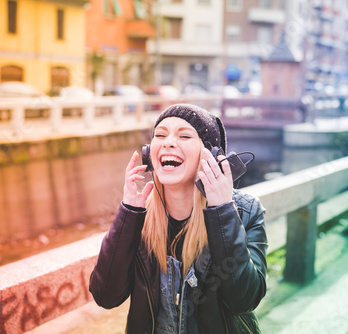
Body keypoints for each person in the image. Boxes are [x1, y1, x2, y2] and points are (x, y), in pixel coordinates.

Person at [89, 104, 268, 333]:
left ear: (213, 157)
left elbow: (243, 300)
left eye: (184, 135)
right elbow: (106, 296)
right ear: (149, 153)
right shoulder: (139, 217)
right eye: (160, 135)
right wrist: (128, 214)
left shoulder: (245, 212)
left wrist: (222, 210)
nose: (168, 142)